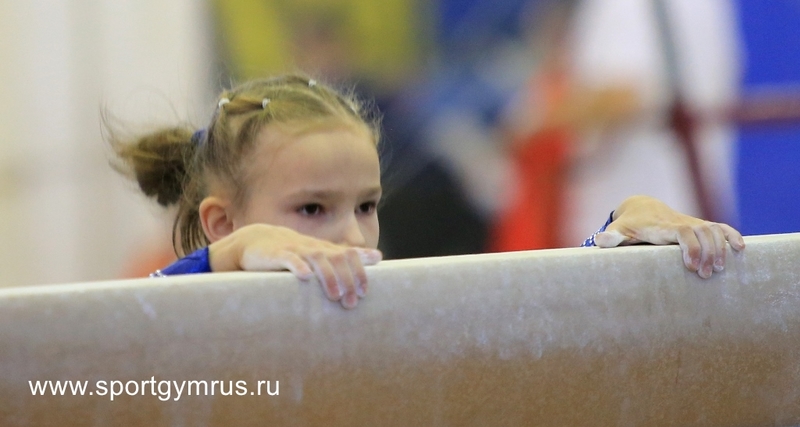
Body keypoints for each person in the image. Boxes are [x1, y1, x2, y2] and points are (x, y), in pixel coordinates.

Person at [109, 74, 745, 310]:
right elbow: (131, 328)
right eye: (312, 209)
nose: (352, 234)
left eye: (365, 206)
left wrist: (617, 243)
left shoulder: (385, 306)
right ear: (223, 224)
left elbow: (524, 319)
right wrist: (225, 259)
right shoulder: (182, 318)